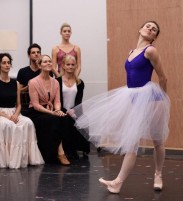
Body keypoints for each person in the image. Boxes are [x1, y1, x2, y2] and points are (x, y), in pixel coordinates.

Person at [72, 21, 170, 193]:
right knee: (132, 142)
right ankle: (117, 182)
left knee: (157, 141)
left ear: (154, 37)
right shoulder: (131, 52)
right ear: (140, 29)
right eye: (148, 26)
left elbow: (163, 78)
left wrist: (163, 99)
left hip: (152, 99)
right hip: (131, 97)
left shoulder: (151, 51)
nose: (150, 29)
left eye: (154, 29)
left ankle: (158, 174)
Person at [0, 53, 44, 169]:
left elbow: (18, 105)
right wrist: (7, 116)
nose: (7, 65)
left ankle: (27, 158)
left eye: (8, 62)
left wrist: (16, 114)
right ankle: (10, 160)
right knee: (9, 125)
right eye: (4, 63)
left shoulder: (16, 83)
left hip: (13, 112)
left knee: (28, 122)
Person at [26, 55, 72, 165]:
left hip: (51, 110)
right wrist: (52, 113)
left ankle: (68, 151)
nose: (48, 63)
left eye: (50, 61)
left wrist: (57, 110)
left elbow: (57, 101)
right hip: (36, 112)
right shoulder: (33, 82)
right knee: (53, 120)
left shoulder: (55, 82)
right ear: (39, 65)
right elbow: (36, 105)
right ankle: (60, 153)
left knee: (66, 118)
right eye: (45, 62)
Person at [56, 55, 90, 158]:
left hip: (75, 110)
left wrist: (74, 110)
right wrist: (65, 111)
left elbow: (79, 99)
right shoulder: (57, 81)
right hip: (61, 110)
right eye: (68, 64)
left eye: (72, 65)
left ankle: (82, 148)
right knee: (66, 121)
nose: (70, 67)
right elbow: (57, 99)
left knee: (84, 120)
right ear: (63, 66)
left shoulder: (80, 82)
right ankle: (69, 150)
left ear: (75, 66)